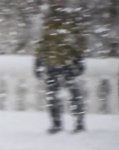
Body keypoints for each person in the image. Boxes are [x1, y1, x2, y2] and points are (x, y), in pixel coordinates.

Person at [35, 0, 86, 135]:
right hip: (51, 62)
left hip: (68, 62)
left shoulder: (71, 17)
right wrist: (38, 60)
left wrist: (79, 57)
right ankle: (56, 124)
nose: (57, 2)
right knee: (53, 95)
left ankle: (79, 123)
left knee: (74, 93)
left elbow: (79, 38)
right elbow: (42, 41)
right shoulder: (47, 17)